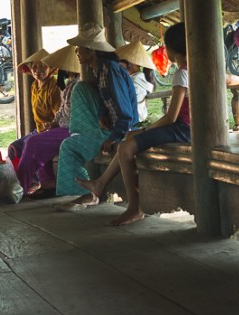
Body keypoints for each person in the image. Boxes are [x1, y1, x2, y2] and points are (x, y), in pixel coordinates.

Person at [77, 29, 187, 224]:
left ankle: (135, 207)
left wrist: (146, 130)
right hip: (182, 127)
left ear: (171, 50)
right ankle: (100, 184)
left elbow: (171, 117)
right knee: (128, 139)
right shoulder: (192, 69)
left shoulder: (182, 74)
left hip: (182, 129)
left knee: (125, 146)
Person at [59, 24, 137, 201]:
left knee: (68, 146)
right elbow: (105, 98)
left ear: (91, 51)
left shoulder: (111, 70)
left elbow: (126, 113)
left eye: (80, 49)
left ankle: (86, 194)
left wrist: (114, 137)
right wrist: (101, 114)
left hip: (123, 130)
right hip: (111, 127)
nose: (77, 52)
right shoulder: (100, 69)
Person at [7, 46, 81, 195]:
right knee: (16, 147)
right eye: (34, 67)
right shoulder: (68, 84)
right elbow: (61, 112)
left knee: (33, 142)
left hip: (72, 129)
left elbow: (68, 114)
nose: (37, 71)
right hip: (54, 126)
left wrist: (52, 125)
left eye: (43, 67)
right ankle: (33, 182)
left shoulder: (74, 85)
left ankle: (23, 186)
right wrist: (53, 123)